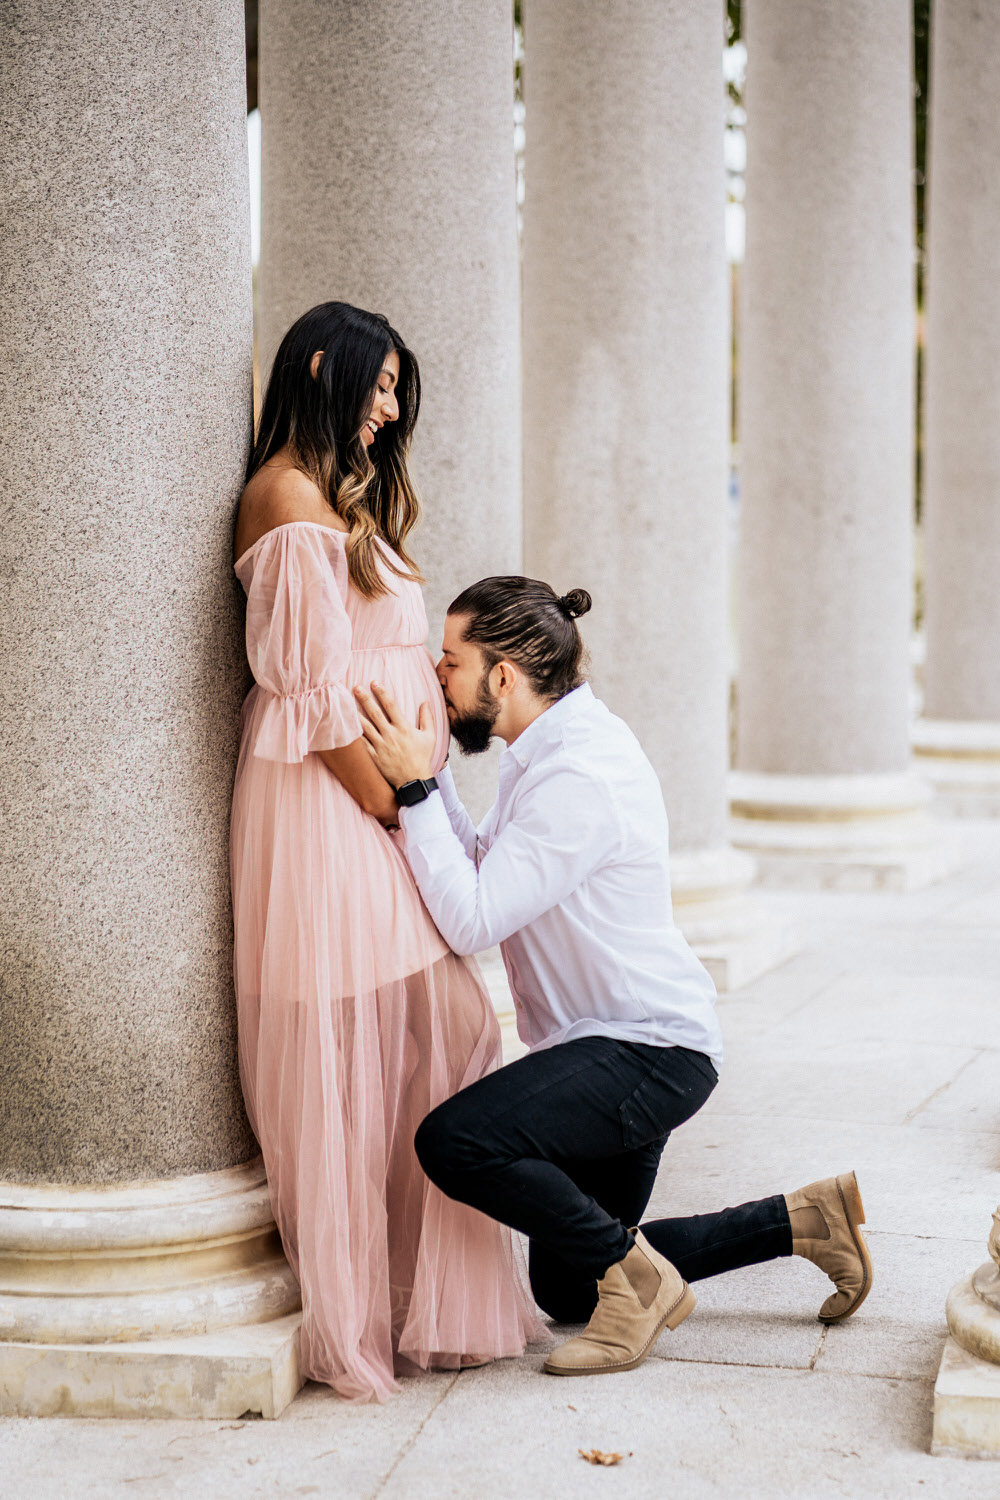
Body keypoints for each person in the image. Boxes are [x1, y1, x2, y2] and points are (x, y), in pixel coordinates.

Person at [355, 576, 873, 1378]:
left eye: (448, 661)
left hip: (646, 1052)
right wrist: (432, 779)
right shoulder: (554, 751)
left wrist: (418, 791)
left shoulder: (580, 776)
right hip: (617, 1043)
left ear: (502, 677)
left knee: (455, 1141)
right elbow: (488, 865)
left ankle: (638, 1284)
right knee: (567, 1282)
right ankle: (805, 1221)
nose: (434, 675)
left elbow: (475, 918)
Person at [229, 306, 540, 1403]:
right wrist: (401, 804)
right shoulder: (287, 496)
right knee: (364, 1043)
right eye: (379, 386)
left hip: (386, 796)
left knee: (438, 1029)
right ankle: (355, 1315)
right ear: (324, 367)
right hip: (334, 803)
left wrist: (421, 796)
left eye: (399, 391)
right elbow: (311, 703)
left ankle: (424, 1296)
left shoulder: (348, 499)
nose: (391, 409)